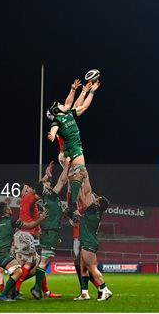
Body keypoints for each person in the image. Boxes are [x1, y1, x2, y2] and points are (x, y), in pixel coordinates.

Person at [46, 77, 100, 220]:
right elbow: (55, 127)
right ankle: (76, 207)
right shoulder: (59, 120)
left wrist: (86, 91)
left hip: (71, 151)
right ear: (56, 110)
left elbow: (76, 105)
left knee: (81, 180)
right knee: (79, 177)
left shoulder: (67, 115)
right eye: (60, 104)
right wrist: (52, 134)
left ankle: (78, 207)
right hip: (67, 153)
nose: (64, 103)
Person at [30, 159, 70, 299]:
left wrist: (48, 175)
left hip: (51, 231)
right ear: (45, 189)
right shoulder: (50, 195)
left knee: (45, 260)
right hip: (50, 231)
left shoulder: (50, 197)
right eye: (48, 184)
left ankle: (38, 288)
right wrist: (66, 167)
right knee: (44, 260)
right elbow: (62, 181)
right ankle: (35, 288)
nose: (50, 184)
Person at [0, 201, 46, 302]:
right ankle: (3, 295)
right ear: (7, 210)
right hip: (2, 253)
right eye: (9, 207)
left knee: (29, 270)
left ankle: (13, 293)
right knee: (18, 271)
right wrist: (40, 219)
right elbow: (29, 226)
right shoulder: (11, 220)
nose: (10, 208)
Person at [73, 193, 113, 301]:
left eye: (97, 199)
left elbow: (82, 197)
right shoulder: (94, 212)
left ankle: (105, 290)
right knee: (83, 269)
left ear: (99, 204)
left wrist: (81, 183)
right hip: (87, 241)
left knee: (92, 268)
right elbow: (83, 220)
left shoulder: (93, 210)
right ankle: (84, 293)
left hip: (88, 242)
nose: (95, 200)